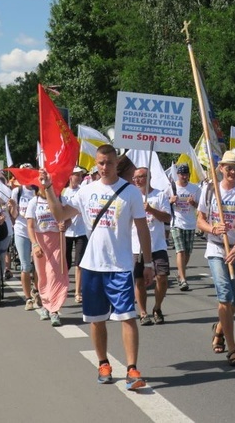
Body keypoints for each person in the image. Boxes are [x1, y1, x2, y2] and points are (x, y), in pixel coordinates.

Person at [41, 144, 153, 391]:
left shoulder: (130, 193)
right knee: (96, 319)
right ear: (95, 163)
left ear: (116, 164)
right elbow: (60, 215)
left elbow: (142, 229)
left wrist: (148, 262)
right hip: (92, 266)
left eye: (109, 163)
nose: (105, 167)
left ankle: (132, 369)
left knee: (127, 317)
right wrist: (48, 188)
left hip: (121, 265)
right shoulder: (86, 191)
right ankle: (103, 364)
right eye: (101, 163)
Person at [197, 150, 235, 367]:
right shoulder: (210, 189)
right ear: (220, 168)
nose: (232, 172)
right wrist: (213, 228)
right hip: (215, 248)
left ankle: (219, 329)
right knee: (225, 296)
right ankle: (233, 349)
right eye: (228, 167)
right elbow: (200, 220)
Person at [25, 182, 69, 327]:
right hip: (40, 241)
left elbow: (68, 217)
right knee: (42, 275)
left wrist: (65, 224)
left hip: (57, 240)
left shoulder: (60, 199)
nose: (47, 188)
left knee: (54, 274)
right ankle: (45, 305)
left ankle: (54, 310)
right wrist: (35, 244)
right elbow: (30, 226)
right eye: (43, 186)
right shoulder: (34, 202)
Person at [132, 167, 171, 325]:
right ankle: (143, 312)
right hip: (137, 245)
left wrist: (151, 210)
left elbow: (167, 217)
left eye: (141, 177)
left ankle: (157, 307)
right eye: (135, 178)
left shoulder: (160, 195)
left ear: (149, 177)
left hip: (157, 245)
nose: (138, 180)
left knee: (162, 278)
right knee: (139, 281)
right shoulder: (131, 197)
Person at [7, 167, 39, 310]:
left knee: (38, 265)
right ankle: (28, 298)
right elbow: (14, 215)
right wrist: (13, 207)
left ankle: (37, 291)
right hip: (21, 230)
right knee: (26, 265)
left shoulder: (38, 190)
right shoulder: (17, 191)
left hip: (37, 231)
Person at [166, 163, 201, 291]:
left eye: (186, 174)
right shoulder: (172, 187)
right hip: (177, 223)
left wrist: (193, 203)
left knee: (187, 253)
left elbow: (201, 207)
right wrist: (170, 200)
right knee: (180, 251)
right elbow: (163, 203)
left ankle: (181, 274)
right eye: (182, 174)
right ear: (178, 175)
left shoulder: (195, 189)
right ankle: (183, 279)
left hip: (190, 224)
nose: (184, 177)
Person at [61, 167, 88, 303]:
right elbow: (60, 210)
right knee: (65, 263)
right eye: (76, 175)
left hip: (81, 231)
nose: (78, 177)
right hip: (67, 232)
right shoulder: (63, 192)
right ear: (70, 176)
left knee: (79, 263)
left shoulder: (84, 191)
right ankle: (64, 288)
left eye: (80, 175)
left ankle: (78, 292)